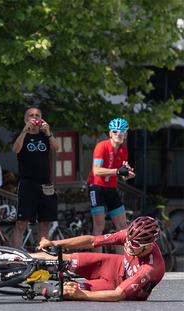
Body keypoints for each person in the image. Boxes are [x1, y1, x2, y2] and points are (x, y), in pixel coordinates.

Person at [36, 216, 164, 301]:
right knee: (62, 258)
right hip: (111, 265)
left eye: (135, 244)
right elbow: (92, 241)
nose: (129, 246)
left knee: (68, 291)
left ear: (147, 246)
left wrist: (82, 295)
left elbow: (118, 294)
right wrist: (54, 243)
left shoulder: (151, 267)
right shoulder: (129, 236)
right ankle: (18, 258)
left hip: (115, 287)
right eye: (128, 241)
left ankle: (41, 288)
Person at [11, 107, 59, 249]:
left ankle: (43, 256)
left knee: (45, 223)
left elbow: (56, 147)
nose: (34, 117)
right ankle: (16, 257)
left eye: (37, 115)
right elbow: (15, 150)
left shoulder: (45, 136)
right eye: (31, 115)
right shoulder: (20, 135)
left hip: (45, 184)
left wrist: (48, 132)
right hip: (27, 183)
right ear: (26, 120)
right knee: (21, 223)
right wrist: (25, 131)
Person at [89, 118, 135, 252]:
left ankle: (122, 263)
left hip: (111, 188)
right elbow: (96, 171)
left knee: (122, 226)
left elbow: (122, 174)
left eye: (121, 132)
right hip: (96, 187)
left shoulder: (123, 150)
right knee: (99, 225)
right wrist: (117, 171)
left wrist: (127, 174)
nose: (118, 134)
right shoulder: (101, 146)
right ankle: (98, 262)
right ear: (110, 133)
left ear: (125, 135)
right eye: (115, 131)